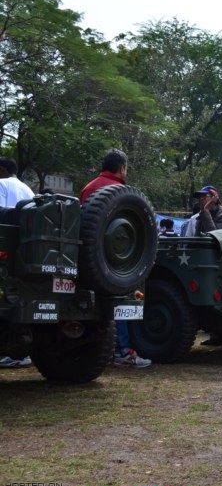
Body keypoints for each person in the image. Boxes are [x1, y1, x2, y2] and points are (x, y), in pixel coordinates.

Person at [80, 149, 151, 368]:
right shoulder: (123, 193)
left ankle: (93, 352)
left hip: (86, 261)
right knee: (119, 305)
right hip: (115, 263)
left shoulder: (88, 188)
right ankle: (122, 351)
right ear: (122, 168)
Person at [0, 157, 34, 368]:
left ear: (2, 170)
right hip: (29, 253)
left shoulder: (1, 185)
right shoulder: (28, 190)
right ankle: (21, 352)